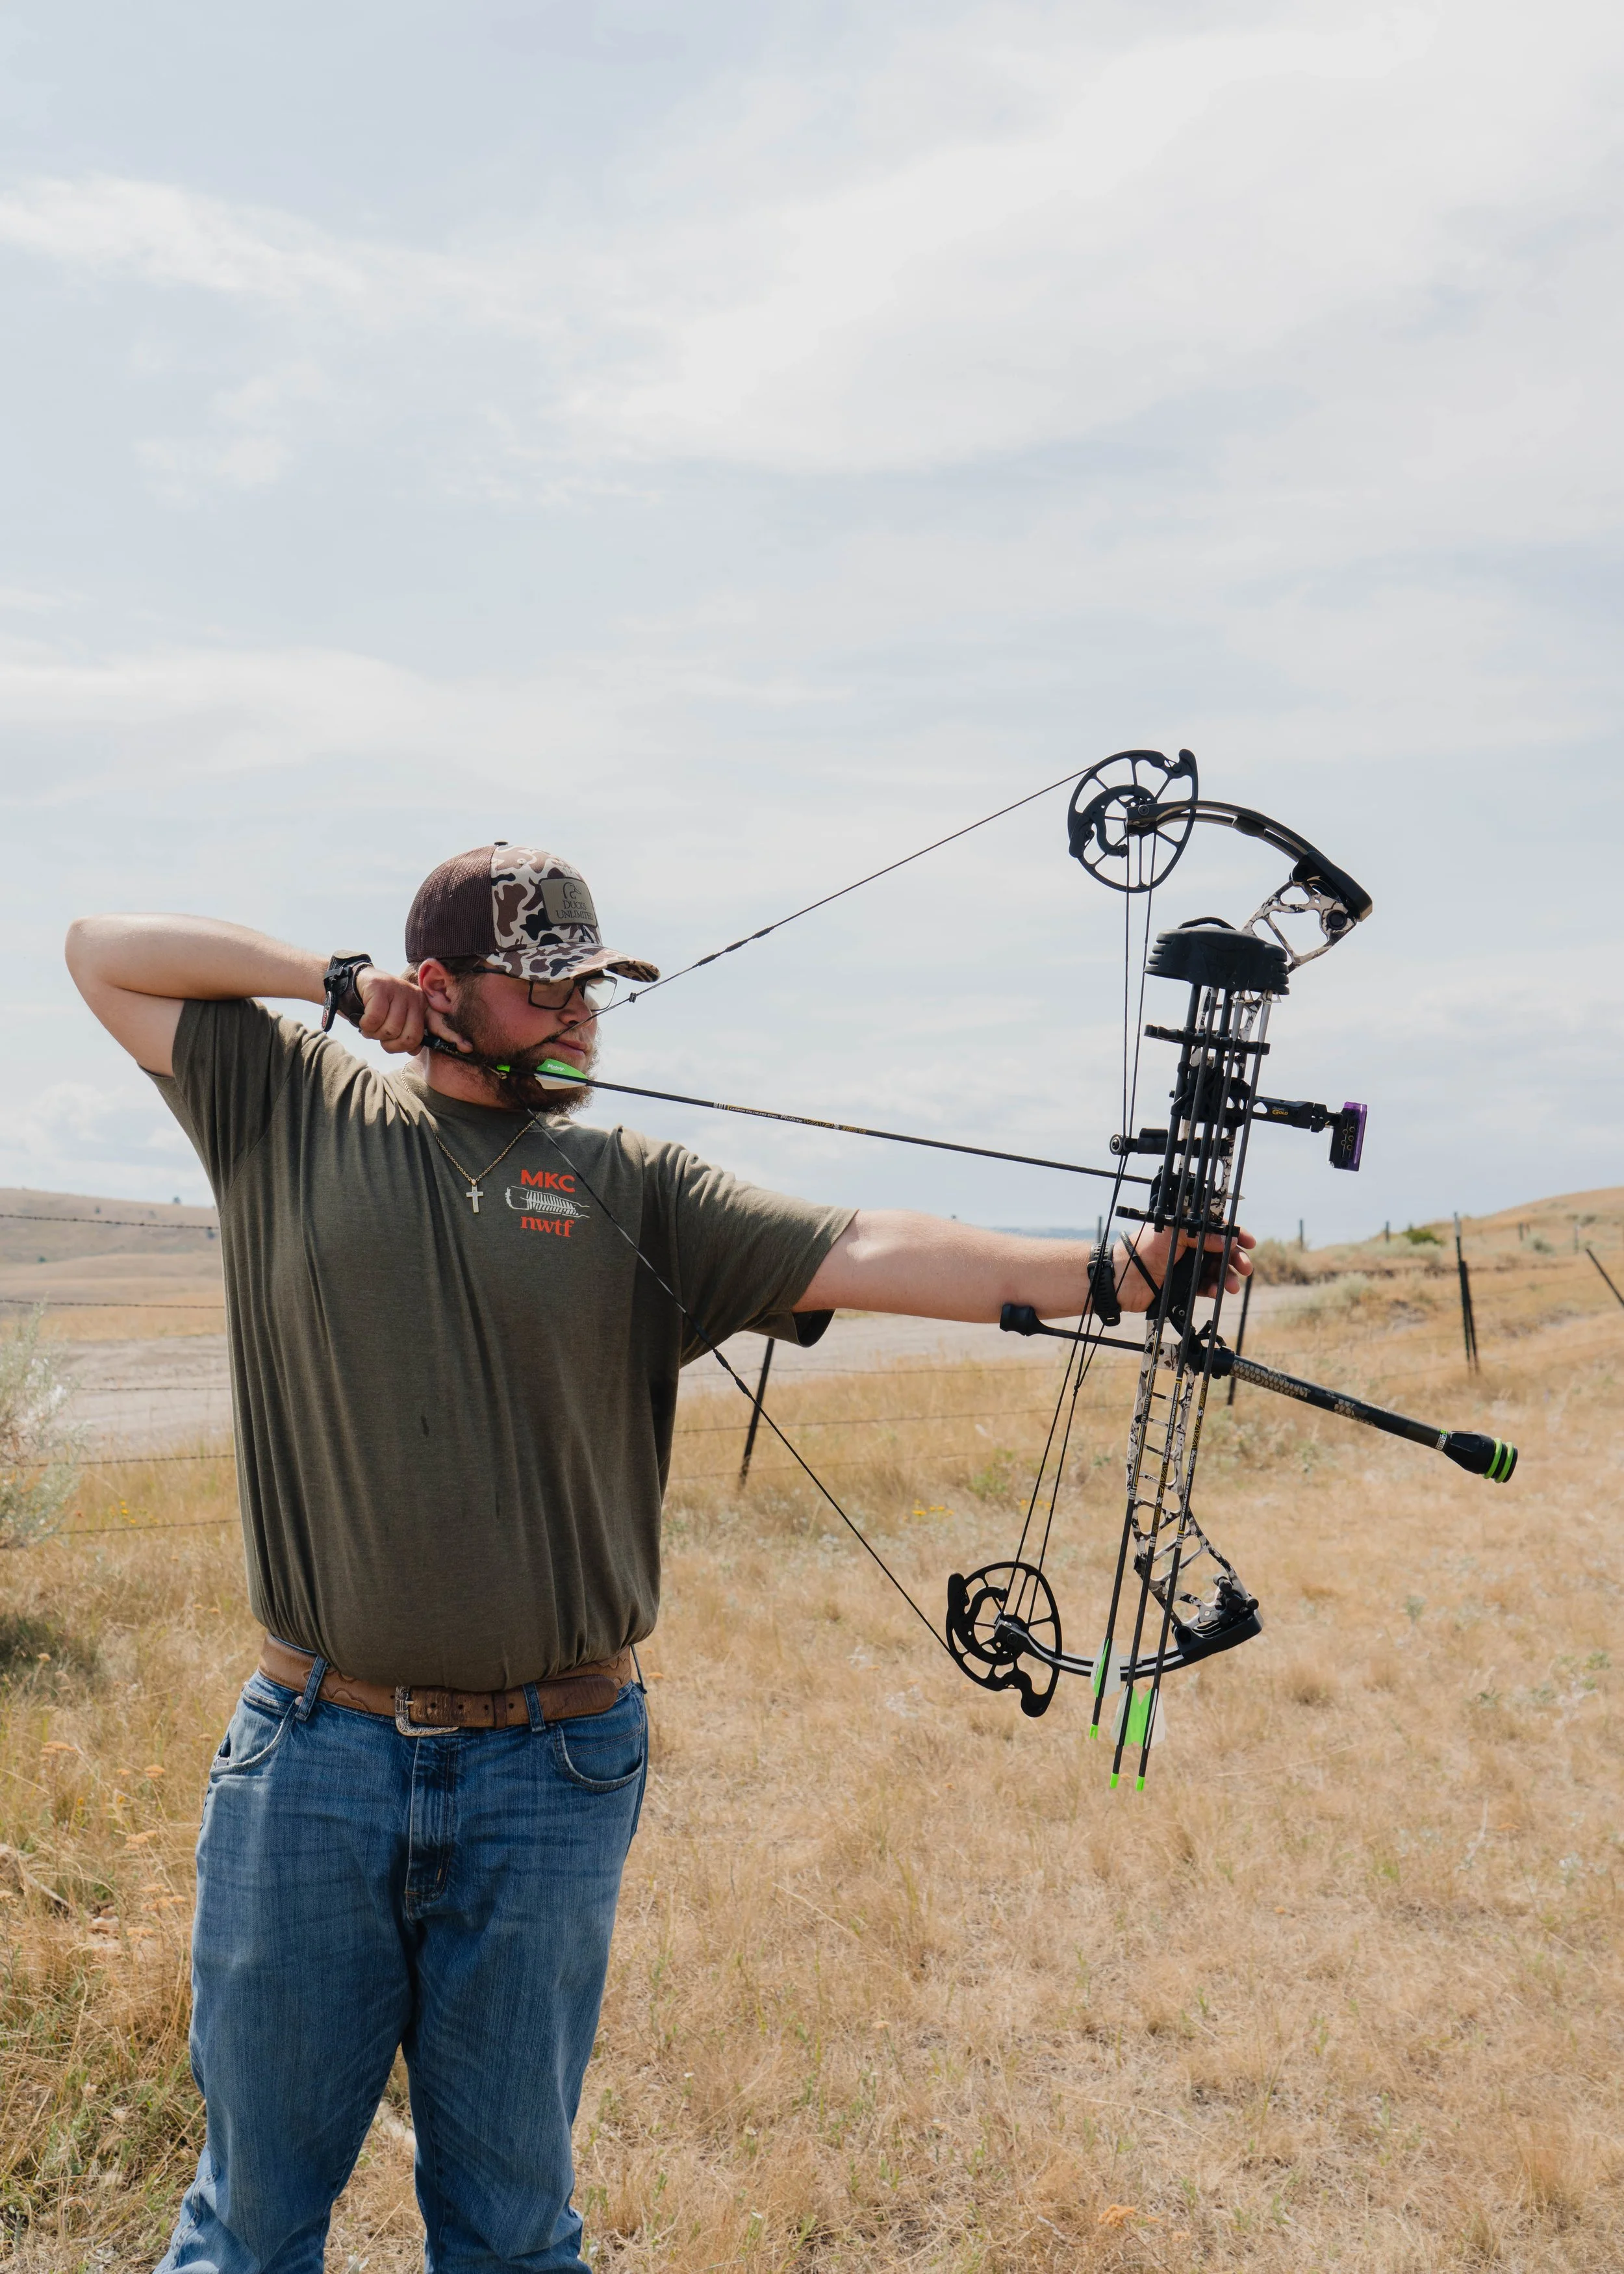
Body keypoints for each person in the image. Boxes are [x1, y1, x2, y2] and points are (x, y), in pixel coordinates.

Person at [66, 842, 1252, 2274]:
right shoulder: (289, 1108)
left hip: (549, 1771)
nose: (579, 1020)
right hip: (314, 1754)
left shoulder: (633, 1183)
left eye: (593, 991)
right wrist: (321, 982)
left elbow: (871, 1246)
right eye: (542, 989)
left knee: (511, 2232)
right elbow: (101, 948)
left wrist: (1113, 1276)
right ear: (435, 990)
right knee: (250, 2225)